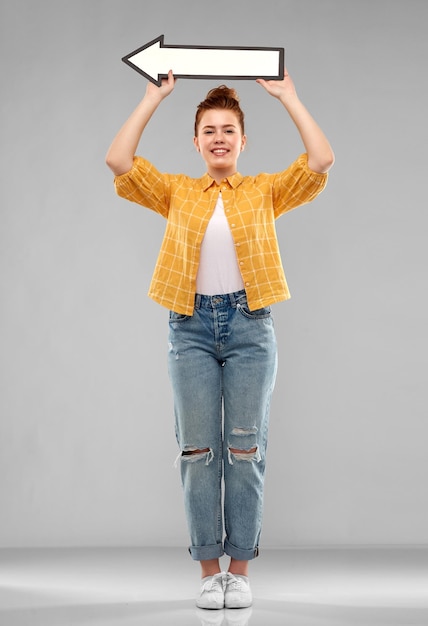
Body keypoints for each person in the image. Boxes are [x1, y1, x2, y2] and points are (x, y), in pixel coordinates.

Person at [106, 67, 334, 610]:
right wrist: (151, 98)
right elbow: (118, 162)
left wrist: (290, 97)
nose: (219, 138)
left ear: (242, 140)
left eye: (228, 129)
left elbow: (321, 160)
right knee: (197, 451)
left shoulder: (262, 191)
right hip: (190, 330)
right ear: (196, 141)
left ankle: (241, 569)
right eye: (209, 130)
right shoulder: (178, 192)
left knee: (245, 449)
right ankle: (210, 572)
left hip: (251, 329)